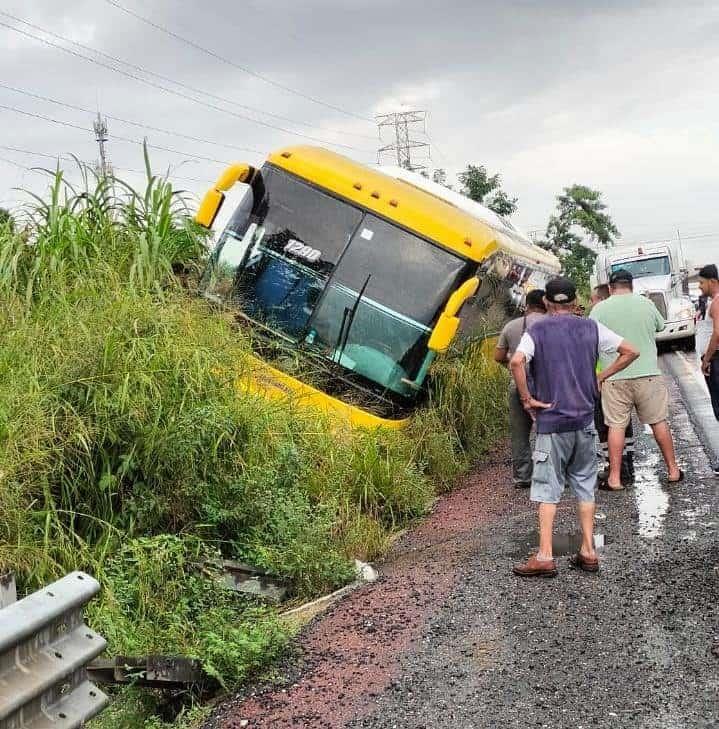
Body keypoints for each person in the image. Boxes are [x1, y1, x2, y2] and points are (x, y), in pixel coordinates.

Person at [510, 277, 638, 577]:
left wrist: (528, 399)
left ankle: (544, 556)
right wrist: (601, 376)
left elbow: (516, 362)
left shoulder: (538, 329)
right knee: (585, 485)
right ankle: (588, 551)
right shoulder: (590, 326)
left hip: (551, 424)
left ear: (547, 303)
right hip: (584, 422)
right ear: (573, 301)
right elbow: (630, 350)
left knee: (547, 489)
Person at [590, 269, 683, 490]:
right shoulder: (646, 304)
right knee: (658, 422)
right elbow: (660, 326)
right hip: (648, 375)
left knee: (616, 426)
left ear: (611, 288)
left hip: (614, 377)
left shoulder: (599, 309)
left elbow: (591, 338)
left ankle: (614, 478)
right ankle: (673, 470)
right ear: (631, 285)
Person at [494, 289, 547, 488]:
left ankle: (523, 477)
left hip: (518, 384)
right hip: (548, 386)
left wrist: (513, 363)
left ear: (527, 305)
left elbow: (498, 356)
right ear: (546, 304)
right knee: (552, 429)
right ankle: (554, 472)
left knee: (519, 433)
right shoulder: (553, 324)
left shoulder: (511, 326)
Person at [590, 285, 635, 487]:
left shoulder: (597, 321)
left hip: (605, 380)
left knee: (605, 426)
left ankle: (615, 468)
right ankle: (628, 464)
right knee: (624, 425)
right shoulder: (623, 319)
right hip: (624, 376)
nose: (591, 305)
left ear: (601, 300)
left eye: (593, 300)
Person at [697, 264, 719, 474]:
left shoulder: (716, 303)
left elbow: (717, 333)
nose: (700, 287)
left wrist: (707, 359)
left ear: (712, 281)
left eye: (702, 283)